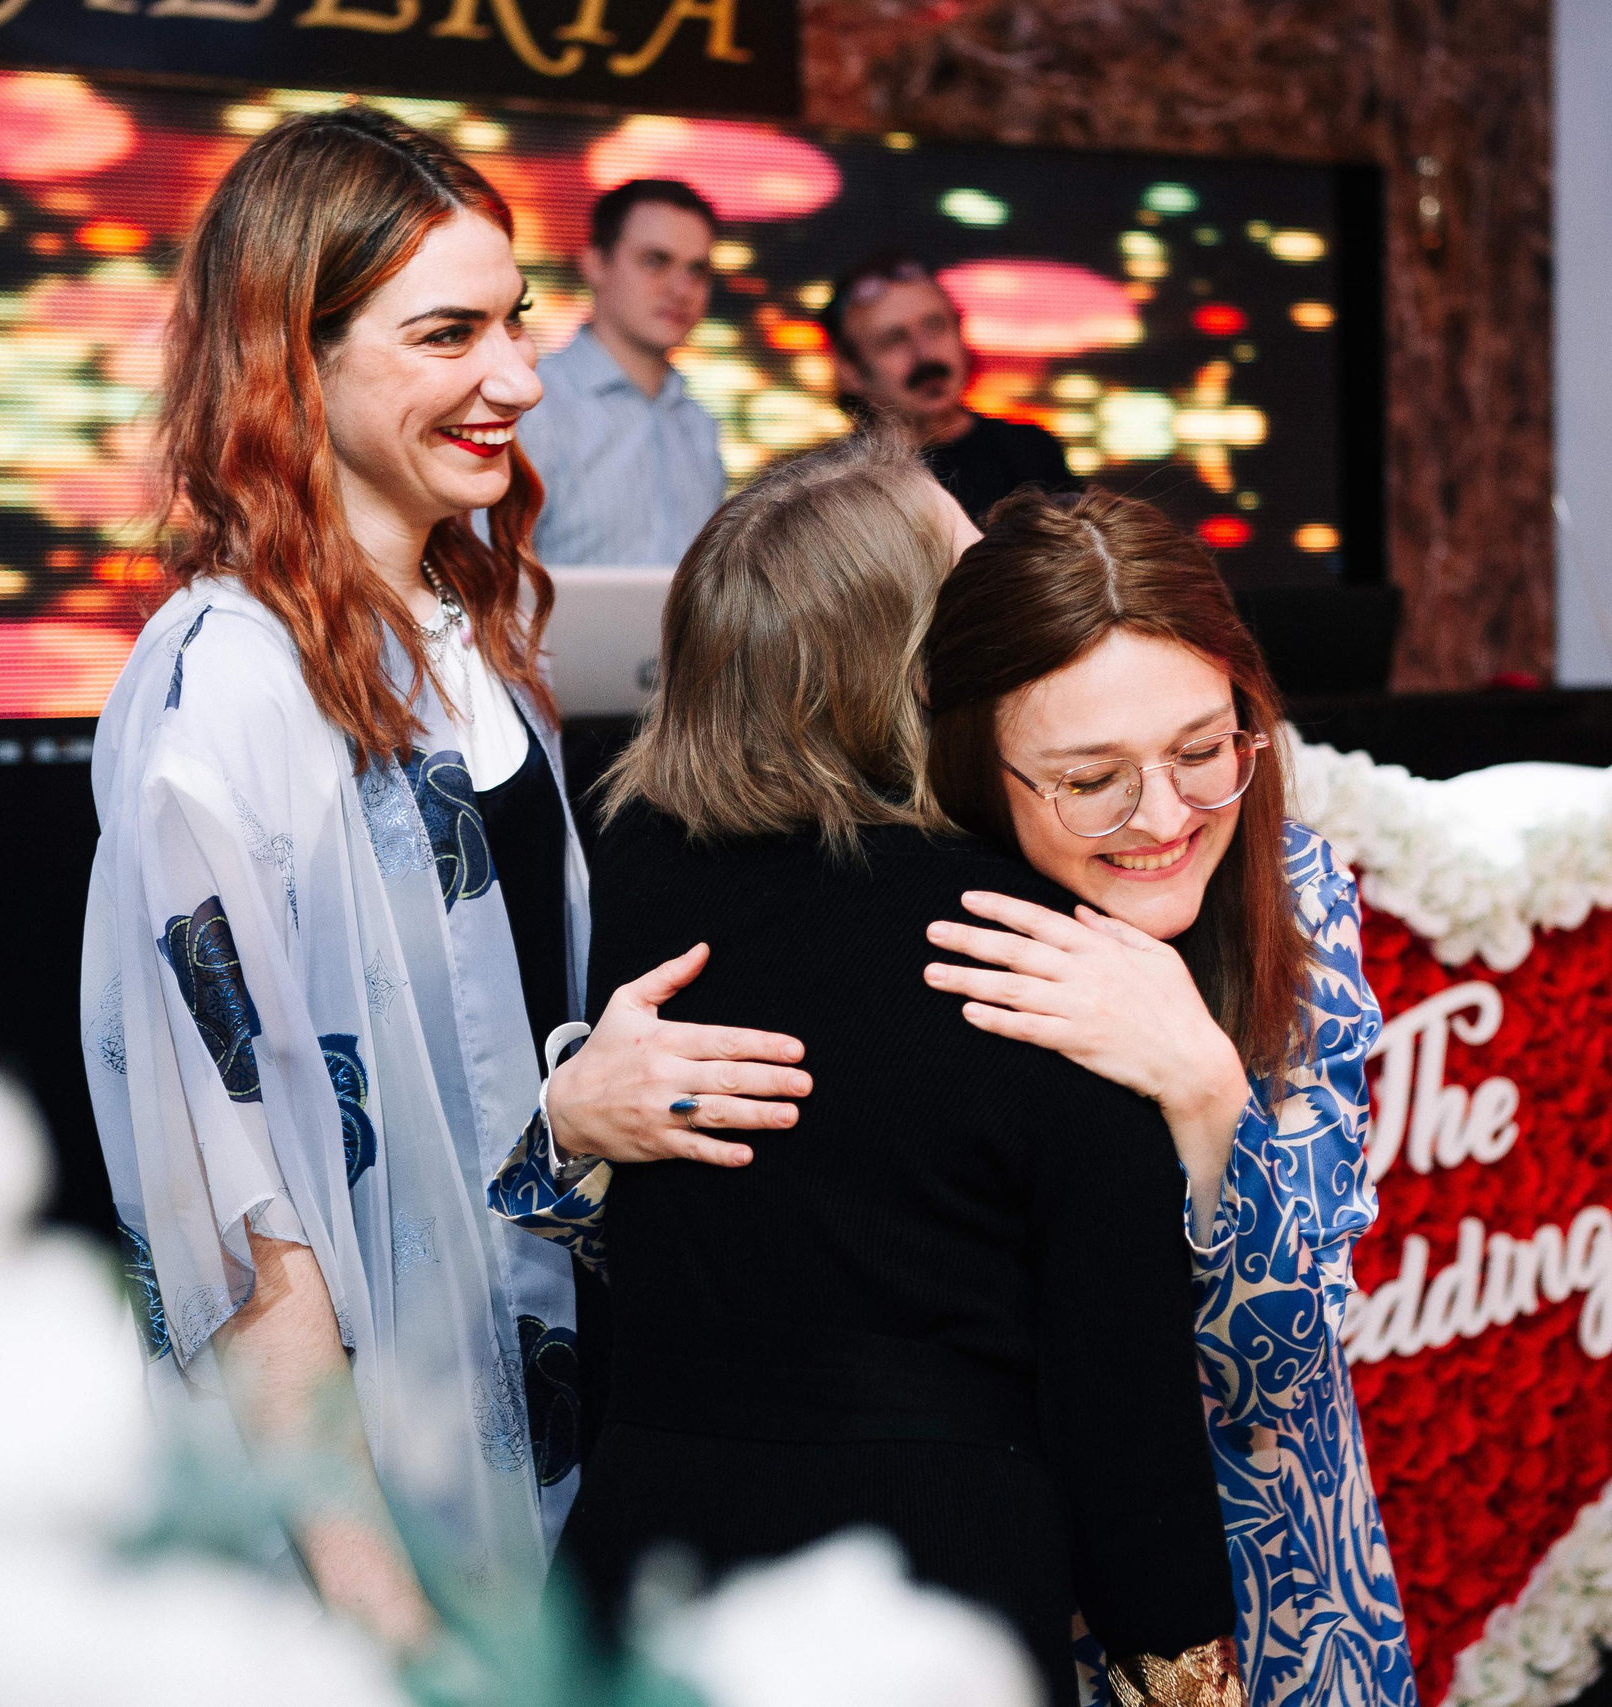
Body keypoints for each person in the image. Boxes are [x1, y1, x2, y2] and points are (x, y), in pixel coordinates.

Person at [82, 109, 807, 1651]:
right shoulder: (226, 692)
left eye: (518, 322)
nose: (522, 379)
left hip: (542, 1461)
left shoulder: (464, 625)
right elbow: (242, 1229)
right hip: (373, 1548)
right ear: (297, 358)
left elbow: (480, 1073)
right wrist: (390, 1627)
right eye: (449, 334)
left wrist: (579, 1114)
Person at [501, 431, 1246, 1707]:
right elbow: (1121, 1395)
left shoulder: (636, 869)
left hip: (646, 1561)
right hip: (925, 1588)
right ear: (908, 660)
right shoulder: (1028, 934)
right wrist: (1186, 1674)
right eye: (969, 588)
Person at [916, 489, 1418, 1707]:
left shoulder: (1291, 886)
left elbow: (1272, 1367)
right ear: (977, 766)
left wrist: (1204, 1095)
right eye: (1091, 779)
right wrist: (576, 1133)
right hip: (1021, 1605)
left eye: (1204, 751)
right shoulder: (925, 926)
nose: (1163, 819)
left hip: (1282, 1591)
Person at [516, 177, 726, 565]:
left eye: (696, 270)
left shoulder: (699, 424)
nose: (681, 289)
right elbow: (486, 585)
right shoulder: (533, 408)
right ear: (595, 264)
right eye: (655, 261)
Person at [820, 250, 1080, 523]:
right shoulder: (831, 488)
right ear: (848, 370)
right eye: (894, 340)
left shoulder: (1032, 452)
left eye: (935, 327)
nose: (925, 354)